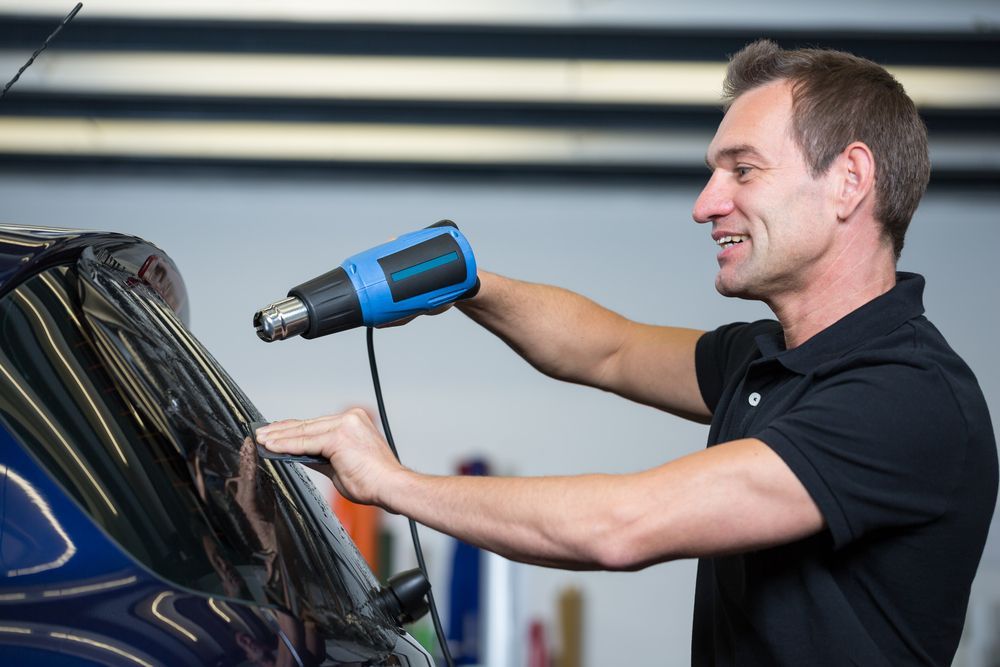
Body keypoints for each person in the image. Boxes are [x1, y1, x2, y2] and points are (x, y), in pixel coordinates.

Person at [256, 40, 998, 665]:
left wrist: (391, 481)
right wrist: (466, 282)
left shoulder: (904, 396)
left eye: (743, 170)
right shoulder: (767, 359)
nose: (706, 202)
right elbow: (605, 349)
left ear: (849, 180)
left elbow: (623, 525)